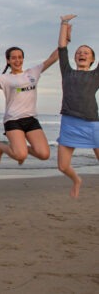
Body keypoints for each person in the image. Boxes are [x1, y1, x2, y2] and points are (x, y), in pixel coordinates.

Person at [56, 14, 99, 198]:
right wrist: (64, 23)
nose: (82, 54)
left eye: (86, 53)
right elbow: (62, 48)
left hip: (91, 124)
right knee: (63, 166)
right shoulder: (67, 71)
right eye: (79, 52)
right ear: (75, 57)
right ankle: (76, 180)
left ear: (92, 60)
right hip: (69, 123)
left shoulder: (95, 75)